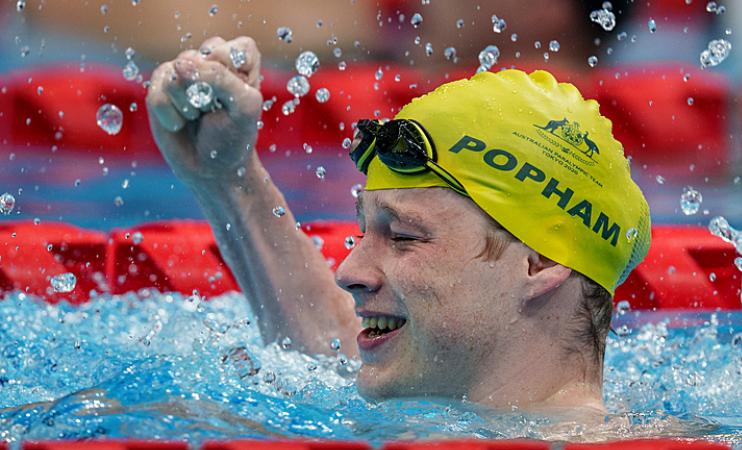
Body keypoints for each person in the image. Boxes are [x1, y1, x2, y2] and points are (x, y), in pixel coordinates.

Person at [145, 36, 651, 413]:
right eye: (366, 230)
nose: (348, 270)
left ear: (539, 261)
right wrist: (227, 180)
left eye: (405, 237)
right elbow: (334, 358)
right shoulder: (428, 408)